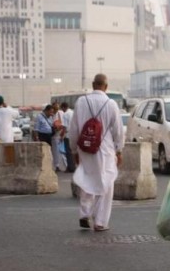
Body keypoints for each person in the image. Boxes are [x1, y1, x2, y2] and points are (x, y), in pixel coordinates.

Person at [68, 74, 124, 232]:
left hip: (85, 148)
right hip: (104, 149)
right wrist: (119, 150)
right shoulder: (111, 104)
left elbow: (74, 129)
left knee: (87, 178)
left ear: (93, 85)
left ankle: (84, 214)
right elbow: (118, 131)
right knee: (106, 182)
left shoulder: (81, 101)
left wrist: (74, 150)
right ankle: (100, 222)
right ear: (106, 86)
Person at [60, 102, 76, 172]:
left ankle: (70, 167)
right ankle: (73, 166)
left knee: (68, 152)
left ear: (63, 107)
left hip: (67, 135)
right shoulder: (73, 113)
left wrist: (62, 135)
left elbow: (64, 127)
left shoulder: (65, 114)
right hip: (74, 134)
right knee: (73, 151)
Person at [51, 102, 65, 171]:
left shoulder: (61, 113)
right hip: (53, 135)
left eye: (57, 108)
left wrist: (62, 132)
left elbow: (64, 123)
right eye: (54, 108)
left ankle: (59, 165)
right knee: (54, 151)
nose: (56, 110)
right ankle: (56, 165)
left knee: (60, 151)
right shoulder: (51, 114)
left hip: (59, 134)